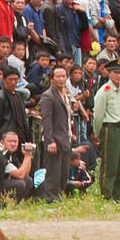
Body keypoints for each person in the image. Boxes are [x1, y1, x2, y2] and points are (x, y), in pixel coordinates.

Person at [37, 65, 76, 203]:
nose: (61, 79)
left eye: (63, 76)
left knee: (63, 171)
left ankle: (58, 194)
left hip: (65, 138)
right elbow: (46, 121)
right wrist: (50, 141)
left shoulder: (65, 94)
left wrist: (71, 133)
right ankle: (51, 198)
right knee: (53, 171)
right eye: (58, 76)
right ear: (52, 79)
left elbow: (67, 118)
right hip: (54, 139)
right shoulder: (48, 96)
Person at [91, 59, 120, 200]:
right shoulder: (104, 92)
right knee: (110, 163)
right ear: (109, 73)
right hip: (109, 128)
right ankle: (107, 193)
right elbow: (98, 115)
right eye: (115, 72)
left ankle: (119, 193)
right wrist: (97, 133)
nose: (119, 76)